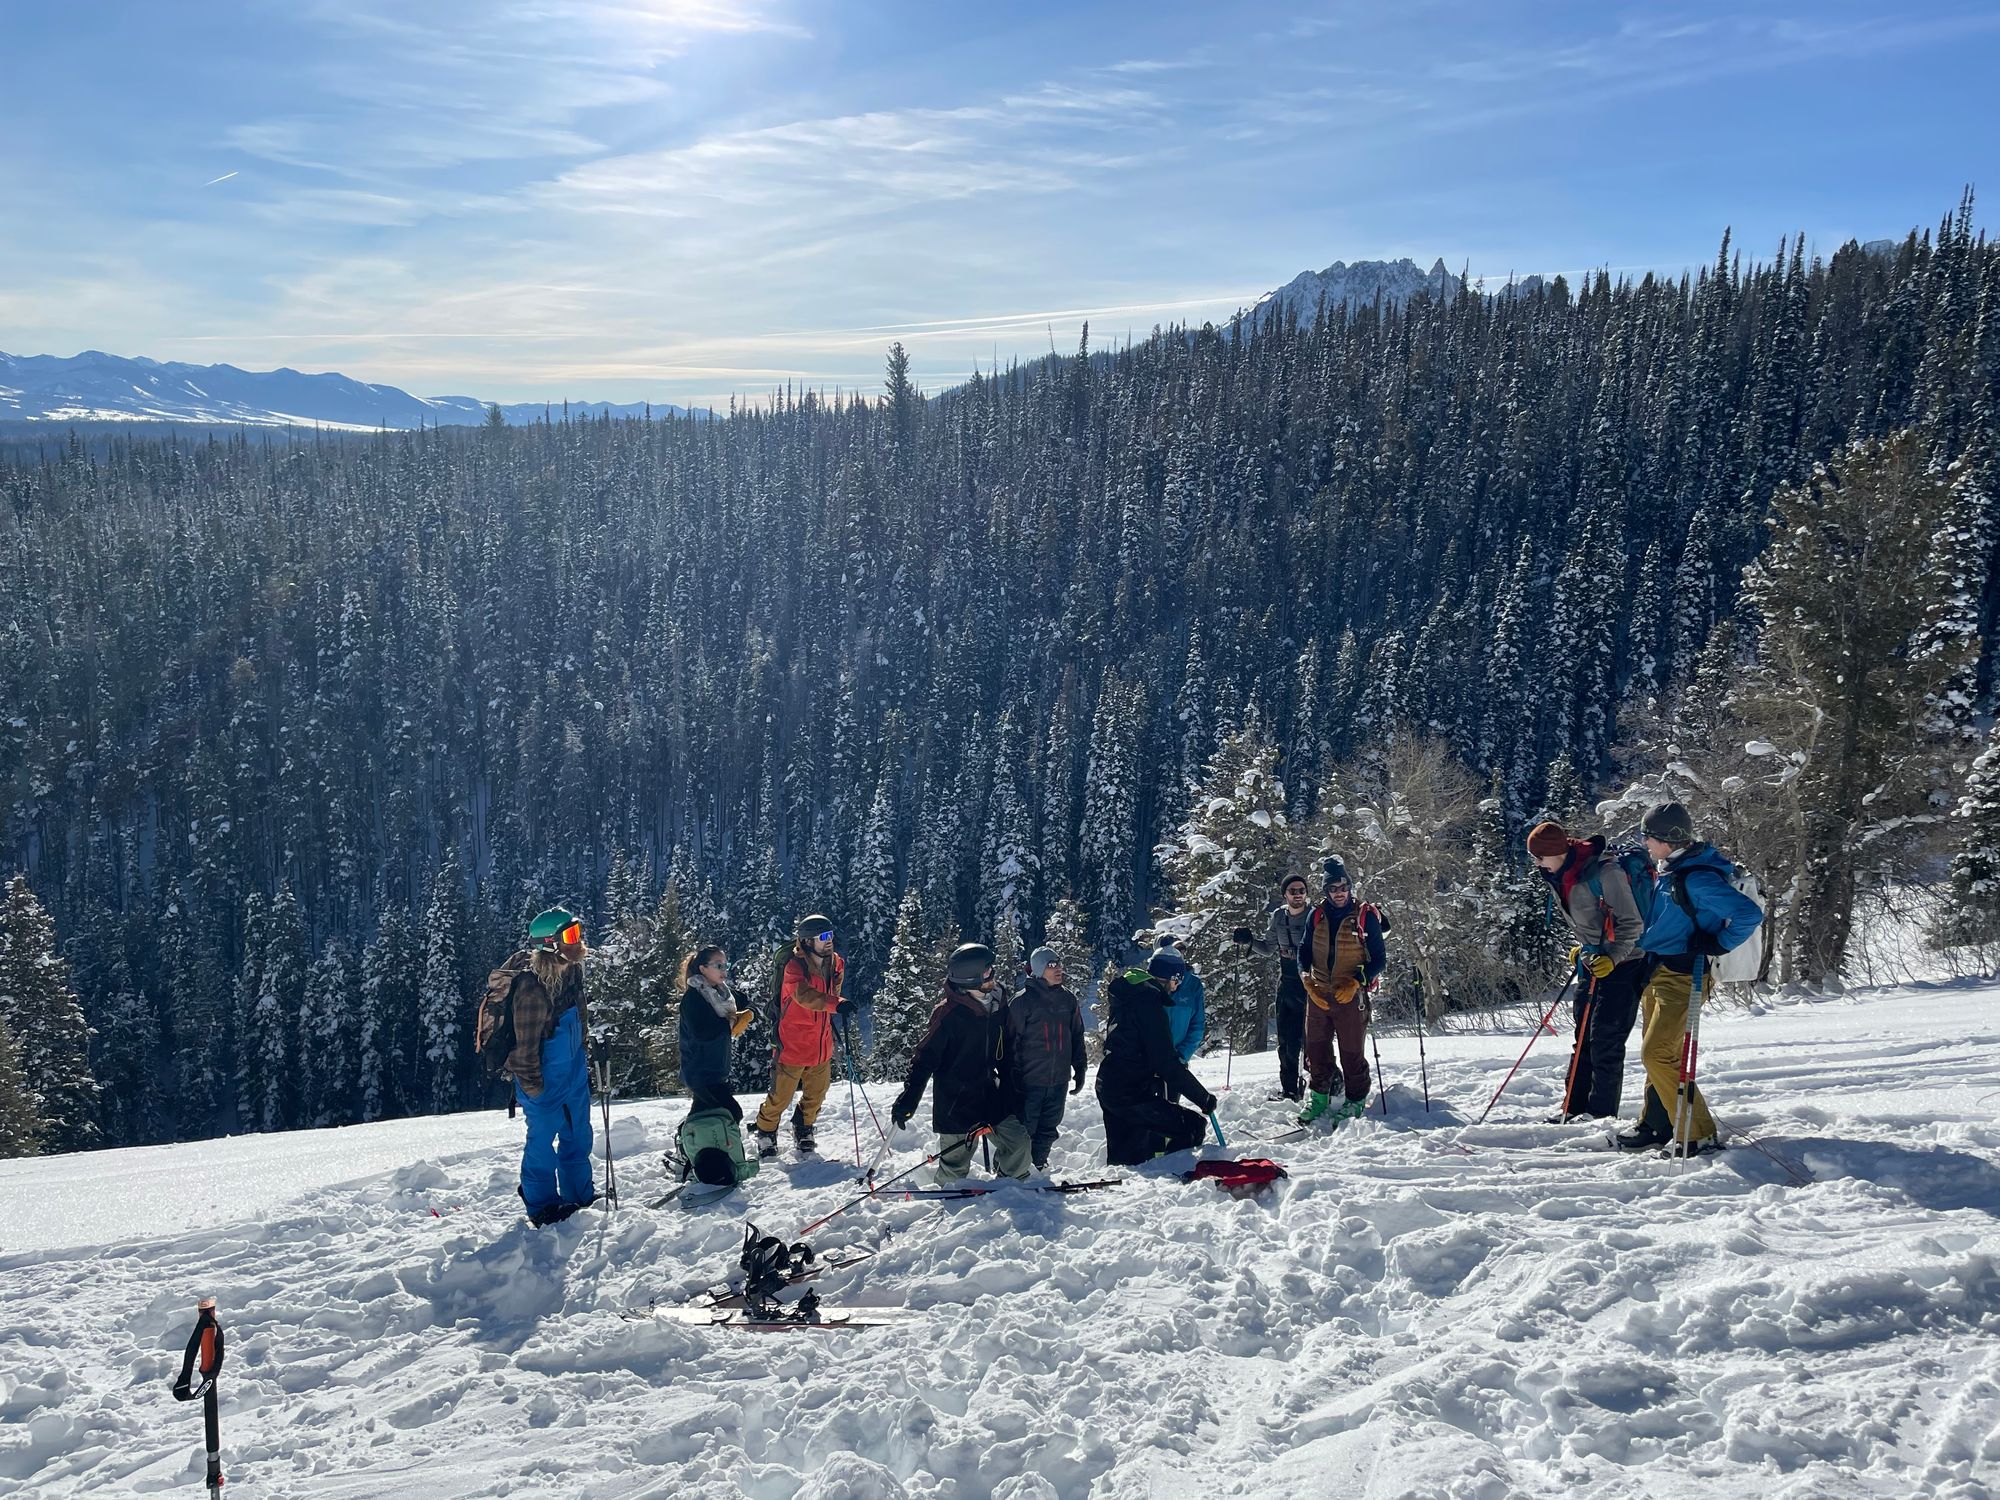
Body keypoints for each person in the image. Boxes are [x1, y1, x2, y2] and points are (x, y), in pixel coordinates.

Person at [1620, 802, 1763, 1153]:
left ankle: (1697, 1131)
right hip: (1659, 971)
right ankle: (1658, 1124)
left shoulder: (1696, 877)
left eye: (1648, 836)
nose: (1645, 843)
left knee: (1657, 1053)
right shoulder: (1673, 868)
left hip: (1685, 975)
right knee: (1663, 1052)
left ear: (1667, 840)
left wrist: (1717, 943)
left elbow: (1748, 914)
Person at [479, 907, 595, 1227]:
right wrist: (535, 1088)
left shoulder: (571, 970)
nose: (578, 941)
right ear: (550, 942)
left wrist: (584, 1054)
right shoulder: (531, 987)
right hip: (541, 1077)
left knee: (578, 1135)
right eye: (570, 935)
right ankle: (541, 1204)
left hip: (572, 1070)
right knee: (542, 1141)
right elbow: (525, 1046)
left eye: (578, 932)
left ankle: (580, 1195)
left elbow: (579, 1016)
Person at [1526, 821, 1646, 1122]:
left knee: (1606, 1039)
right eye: (1534, 858)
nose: (1537, 863)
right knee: (1583, 1038)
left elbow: (1632, 924)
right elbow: (1591, 921)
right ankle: (1573, 1108)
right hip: (1593, 960)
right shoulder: (1558, 875)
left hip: (1627, 962)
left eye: (1540, 857)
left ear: (1559, 852)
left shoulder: (1606, 873)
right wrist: (1586, 948)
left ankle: (1600, 1115)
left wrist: (1613, 957)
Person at [891, 944, 1033, 1182]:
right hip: (955, 1101)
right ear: (971, 978)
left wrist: (1013, 1086)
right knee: (955, 1167)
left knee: (1019, 1145)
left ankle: (1008, 1188)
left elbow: (1009, 1048)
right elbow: (924, 1058)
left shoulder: (998, 1005)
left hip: (990, 1093)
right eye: (988, 971)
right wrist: (909, 1098)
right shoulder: (948, 1014)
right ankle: (948, 1203)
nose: (993, 974)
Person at [1096, 950, 1218, 1166]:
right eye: (1177, 980)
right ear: (1173, 978)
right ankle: (1173, 1175)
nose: (1177, 987)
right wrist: (1202, 1098)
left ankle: (1125, 1189)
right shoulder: (1149, 1005)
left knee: (1127, 1159)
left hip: (1110, 1084)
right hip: (1130, 1093)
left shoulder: (1131, 994)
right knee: (1191, 1126)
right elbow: (1166, 1062)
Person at [1295, 857, 1387, 1125]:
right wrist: (1305, 977)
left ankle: (1356, 1099)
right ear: (1326, 891)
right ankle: (1319, 1097)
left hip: (1350, 995)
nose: (1339, 892)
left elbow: (1379, 959)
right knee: (1316, 1049)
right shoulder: (1317, 914)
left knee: (1351, 1052)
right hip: (1319, 992)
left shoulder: (1364, 915)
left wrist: (1356, 981)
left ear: (1350, 887)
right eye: (1334, 888)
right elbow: (1304, 949)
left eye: (1343, 886)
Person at [751, 914, 845, 1159]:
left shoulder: (835, 963)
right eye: (823, 937)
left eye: (831, 935)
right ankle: (765, 1131)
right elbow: (804, 997)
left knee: (817, 1092)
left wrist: (835, 1003)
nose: (829, 941)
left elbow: (831, 992)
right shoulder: (794, 967)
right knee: (780, 1096)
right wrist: (837, 1004)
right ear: (806, 941)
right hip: (792, 1044)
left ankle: (803, 1128)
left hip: (821, 1044)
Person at [1004, 944, 1087, 1172]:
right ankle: (1012, 1172)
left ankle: (1038, 1166)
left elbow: (1077, 1035)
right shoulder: (1022, 1002)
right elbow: (1010, 1043)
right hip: (1030, 1081)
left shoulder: (1068, 1000)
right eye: (1052, 965)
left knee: (1049, 1128)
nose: (1059, 968)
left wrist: (1080, 1067)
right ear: (1039, 970)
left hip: (1059, 1080)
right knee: (1024, 1129)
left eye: (1059, 963)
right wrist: (1011, 1079)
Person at [1232, 873, 1313, 1100]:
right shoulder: (1278, 917)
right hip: (1286, 983)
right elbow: (1268, 949)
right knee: (1286, 1040)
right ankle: (1289, 1088)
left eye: (1301, 891)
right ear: (1285, 894)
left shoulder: (1316, 916)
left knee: (1313, 1040)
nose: (1297, 895)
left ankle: (1323, 1084)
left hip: (1312, 984)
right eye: (1293, 891)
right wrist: (1249, 941)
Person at [678, 944, 754, 1122]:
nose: (724, 970)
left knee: (703, 1115)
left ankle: (688, 1144)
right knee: (732, 1113)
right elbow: (702, 1033)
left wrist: (749, 1014)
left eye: (725, 965)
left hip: (716, 1070)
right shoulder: (693, 998)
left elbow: (746, 1002)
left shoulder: (723, 994)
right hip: (699, 1072)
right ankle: (694, 1144)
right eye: (718, 965)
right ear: (703, 969)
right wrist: (731, 1023)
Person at [1149, 935, 1207, 1068]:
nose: (1179, 954)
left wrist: (1181, 1056)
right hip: (1149, 1062)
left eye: (1181, 949)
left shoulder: (1193, 985)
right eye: (1174, 949)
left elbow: (1197, 1025)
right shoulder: (1149, 984)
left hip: (1177, 1061)